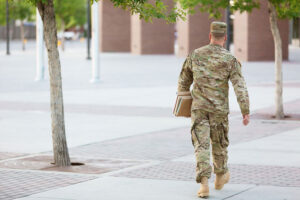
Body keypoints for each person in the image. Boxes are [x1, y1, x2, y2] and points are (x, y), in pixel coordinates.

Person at [177, 21, 250, 198]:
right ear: (225, 38)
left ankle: (203, 186)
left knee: (201, 145)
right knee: (220, 144)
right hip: (219, 110)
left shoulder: (195, 55)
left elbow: (183, 82)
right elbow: (239, 87)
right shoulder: (230, 60)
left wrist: (184, 100)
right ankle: (220, 175)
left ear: (210, 36)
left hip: (199, 109)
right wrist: (245, 110)